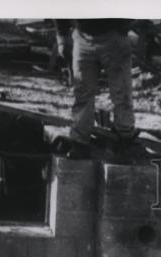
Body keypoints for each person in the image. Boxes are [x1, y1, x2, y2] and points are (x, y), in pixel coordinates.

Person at [55, 19, 138, 159]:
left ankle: (125, 136)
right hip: (83, 37)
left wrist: (130, 28)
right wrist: (62, 38)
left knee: (121, 91)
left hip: (114, 37)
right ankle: (80, 140)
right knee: (82, 92)